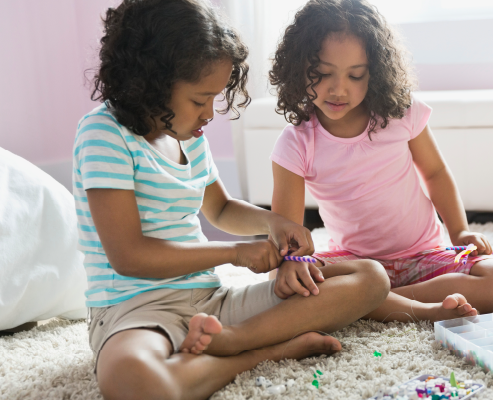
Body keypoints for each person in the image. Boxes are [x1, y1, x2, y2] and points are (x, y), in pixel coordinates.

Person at [76, 1, 388, 398]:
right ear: (150, 82)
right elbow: (129, 256)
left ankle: (235, 338)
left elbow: (220, 208)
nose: (209, 114)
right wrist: (235, 254)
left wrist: (273, 224)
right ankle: (266, 351)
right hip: (134, 311)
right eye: (198, 100)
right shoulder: (104, 134)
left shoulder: (188, 135)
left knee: (370, 278)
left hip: (211, 301)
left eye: (214, 98)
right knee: (134, 384)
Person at [268, 0, 493, 323]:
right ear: (298, 69)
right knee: (282, 283)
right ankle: (391, 302)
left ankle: (372, 302)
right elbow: (287, 232)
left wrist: (459, 232)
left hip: (423, 258)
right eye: (321, 74)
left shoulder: (400, 112)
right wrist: (293, 264)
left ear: (374, 72)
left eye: (355, 75)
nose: (338, 88)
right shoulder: (296, 142)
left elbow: (435, 172)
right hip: (356, 264)